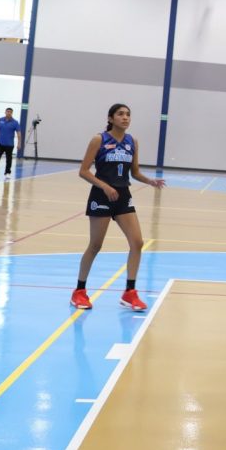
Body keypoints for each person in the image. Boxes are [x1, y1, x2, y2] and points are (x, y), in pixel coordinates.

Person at [70, 103, 165, 313]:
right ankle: (79, 290)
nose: (125, 117)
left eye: (128, 114)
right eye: (120, 114)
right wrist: (104, 186)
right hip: (101, 195)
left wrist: (150, 181)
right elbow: (84, 171)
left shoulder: (132, 141)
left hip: (123, 196)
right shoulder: (99, 139)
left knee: (137, 242)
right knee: (95, 245)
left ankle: (129, 292)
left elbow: (135, 172)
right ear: (110, 118)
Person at [0, 107, 21, 177]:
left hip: (9, 144)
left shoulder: (15, 122)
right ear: (5, 112)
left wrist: (19, 143)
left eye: (10, 112)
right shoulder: (0, 120)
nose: (9, 113)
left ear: (12, 113)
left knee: (9, 159)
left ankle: (7, 172)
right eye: (7, 111)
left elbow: (19, 133)